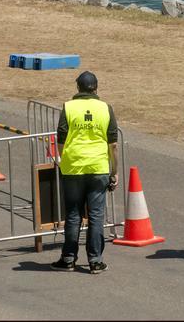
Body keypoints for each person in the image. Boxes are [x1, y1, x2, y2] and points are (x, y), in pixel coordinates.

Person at [50, 71, 118, 274]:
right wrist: (114, 171)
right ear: (96, 88)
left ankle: (68, 258)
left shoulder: (68, 107)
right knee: (96, 215)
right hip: (98, 167)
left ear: (77, 87)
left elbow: (60, 138)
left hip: (73, 168)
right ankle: (95, 260)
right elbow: (113, 144)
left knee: (73, 214)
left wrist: (64, 160)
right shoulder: (105, 108)